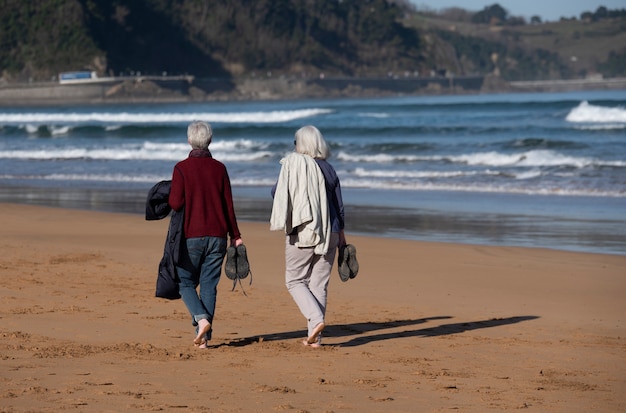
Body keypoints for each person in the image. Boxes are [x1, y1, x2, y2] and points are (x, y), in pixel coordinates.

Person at [270, 125, 346, 348]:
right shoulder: (329, 169)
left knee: (294, 280)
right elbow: (338, 206)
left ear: (300, 145)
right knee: (318, 285)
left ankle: (316, 320)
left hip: (304, 230)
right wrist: (341, 235)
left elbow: (276, 192)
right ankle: (316, 338)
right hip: (331, 231)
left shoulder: (294, 166)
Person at [169, 120, 243, 349]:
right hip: (219, 236)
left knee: (184, 282)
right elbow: (228, 205)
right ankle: (204, 340)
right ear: (210, 140)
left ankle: (201, 320)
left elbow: (175, 202)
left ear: (189, 140)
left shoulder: (181, 168)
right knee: (209, 285)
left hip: (191, 235)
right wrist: (236, 235)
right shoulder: (220, 168)